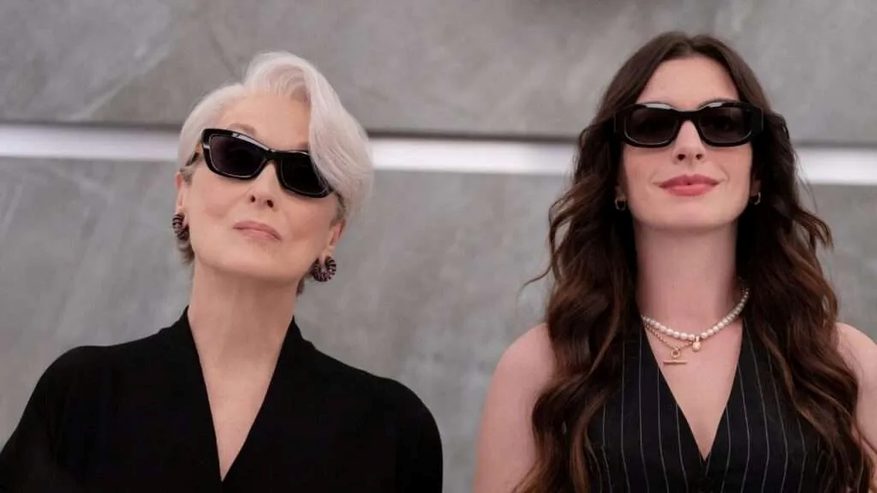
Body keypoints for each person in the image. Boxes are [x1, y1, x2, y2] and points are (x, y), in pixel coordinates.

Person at [0, 51, 442, 492]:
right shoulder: (82, 395)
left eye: (304, 173)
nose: (264, 190)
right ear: (183, 195)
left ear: (332, 234)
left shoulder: (394, 431)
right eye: (236, 154)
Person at [475, 32, 876, 492]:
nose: (689, 146)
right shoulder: (539, 369)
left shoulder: (846, 366)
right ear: (616, 177)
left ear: (758, 173)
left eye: (722, 123)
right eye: (652, 125)